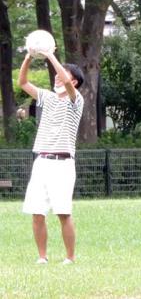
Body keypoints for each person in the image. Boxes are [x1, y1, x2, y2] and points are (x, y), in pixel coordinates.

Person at [18, 51, 84, 265]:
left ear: (73, 80)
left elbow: (64, 80)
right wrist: (29, 57)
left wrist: (49, 55)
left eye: (63, 73)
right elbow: (23, 82)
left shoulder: (76, 100)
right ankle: (42, 257)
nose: (57, 75)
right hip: (42, 162)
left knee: (63, 212)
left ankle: (70, 258)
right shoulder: (47, 97)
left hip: (63, 163)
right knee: (37, 212)